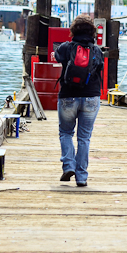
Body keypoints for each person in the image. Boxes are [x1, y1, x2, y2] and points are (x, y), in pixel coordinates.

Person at [53, 14, 104, 187]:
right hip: (91, 97)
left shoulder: (66, 47)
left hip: (68, 96)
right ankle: (81, 177)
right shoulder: (96, 51)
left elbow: (57, 57)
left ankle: (69, 165)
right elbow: (100, 68)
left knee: (66, 133)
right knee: (84, 138)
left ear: (73, 30)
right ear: (92, 32)